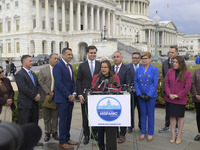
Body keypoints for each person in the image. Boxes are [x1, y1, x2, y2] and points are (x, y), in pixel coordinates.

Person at [91, 60, 120, 150]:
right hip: (100, 106)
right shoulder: (97, 77)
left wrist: (111, 91)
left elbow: (118, 89)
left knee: (111, 129)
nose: (103, 69)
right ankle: (101, 147)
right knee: (100, 129)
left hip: (112, 107)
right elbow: (93, 89)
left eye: (105, 67)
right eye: (102, 67)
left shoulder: (115, 77)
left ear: (109, 68)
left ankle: (110, 146)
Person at [53, 48, 78, 149]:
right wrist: (68, 95)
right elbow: (59, 83)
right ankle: (62, 141)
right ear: (63, 55)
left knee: (68, 120)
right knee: (63, 121)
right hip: (62, 99)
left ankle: (67, 138)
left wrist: (74, 93)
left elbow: (71, 82)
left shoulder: (70, 66)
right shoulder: (58, 66)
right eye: (68, 55)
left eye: (71, 54)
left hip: (70, 99)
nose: (71, 56)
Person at [164, 56, 191, 144]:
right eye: (173, 62)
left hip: (180, 99)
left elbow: (187, 87)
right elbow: (166, 83)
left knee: (180, 117)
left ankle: (179, 135)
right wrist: (169, 94)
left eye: (176, 62)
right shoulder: (169, 71)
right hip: (170, 98)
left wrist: (177, 95)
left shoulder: (187, 73)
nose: (174, 63)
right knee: (172, 116)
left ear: (181, 63)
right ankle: (173, 134)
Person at [76, 45, 100, 145]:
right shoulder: (82, 65)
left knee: (95, 115)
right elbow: (78, 81)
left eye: (94, 53)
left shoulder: (100, 64)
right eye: (91, 53)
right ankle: (86, 135)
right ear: (87, 53)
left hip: (96, 95)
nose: (93, 54)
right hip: (85, 95)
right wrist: (80, 95)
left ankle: (94, 134)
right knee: (85, 116)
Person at [134, 52, 158, 142]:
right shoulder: (138, 69)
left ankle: (150, 133)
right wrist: (139, 93)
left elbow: (154, 83)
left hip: (150, 96)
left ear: (150, 59)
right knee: (143, 114)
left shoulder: (154, 69)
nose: (144, 60)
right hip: (141, 96)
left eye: (146, 58)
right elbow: (135, 81)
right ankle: (143, 132)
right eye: (143, 58)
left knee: (150, 114)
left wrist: (149, 95)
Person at [38, 53, 59, 142]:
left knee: (55, 116)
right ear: (50, 59)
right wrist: (48, 92)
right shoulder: (43, 70)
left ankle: (54, 132)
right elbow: (41, 81)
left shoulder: (59, 69)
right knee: (46, 117)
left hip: (56, 97)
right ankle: (47, 133)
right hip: (46, 97)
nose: (56, 60)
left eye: (57, 59)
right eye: (55, 58)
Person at [15, 55, 41, 125]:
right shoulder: (19, 74)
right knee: (25, 126)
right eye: (30, 61)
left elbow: (38, 85)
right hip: (25, 106)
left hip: (34, 105)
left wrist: (38, 94)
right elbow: (23, 88)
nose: (32, 63)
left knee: (34, 125)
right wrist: (35, 96)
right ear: (24, 62)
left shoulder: (33, 73)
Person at [158, 45, 179, 133]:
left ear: (177, 53)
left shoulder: (180, 63)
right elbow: (164, 76)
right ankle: (167, 125)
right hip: (167, 91)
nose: (170, 54)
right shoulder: (164, 63)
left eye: (172, 52)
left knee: (177, 109)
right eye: (169, 52)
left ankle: (177, 127)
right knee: (168, 109)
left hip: (177, 92)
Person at [112, 51, 131, 143]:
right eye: (114, 57)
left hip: (122, 96)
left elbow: (128, 83)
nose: (116, 58)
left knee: (122, 115)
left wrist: (120, 90)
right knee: (114, 114)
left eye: (118, 56)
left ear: (121, 57)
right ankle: (115, 132)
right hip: (112, 96)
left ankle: (123, 134)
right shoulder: (110, 68)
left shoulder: (126, 68)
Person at [126, 52, 142, 133]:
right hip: (131, 92)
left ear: (139, 59)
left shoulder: (143, 67)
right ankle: (130, 126)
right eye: (133, 58)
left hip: (141, 93)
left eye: (136, 58)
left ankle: (141, 126)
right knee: (130, 110)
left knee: (141, 110)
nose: (135, 59)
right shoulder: (127, 67)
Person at [192, 67, 200, 141]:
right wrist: (196, 94)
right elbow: (193, 83)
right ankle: (199, 133)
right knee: (199, 116)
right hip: (198, 98)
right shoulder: (196, 71)